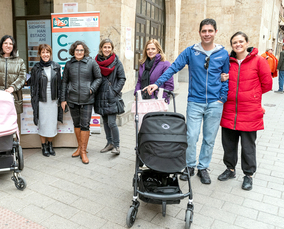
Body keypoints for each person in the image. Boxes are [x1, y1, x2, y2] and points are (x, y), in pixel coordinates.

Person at [144, 18, 229, 184]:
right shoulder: (191, 52)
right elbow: (174, 67)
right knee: (191, 136)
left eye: (210, 31)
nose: (207, 34)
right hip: (195, 102)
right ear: (199, 33)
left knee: (209, 138)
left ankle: (203, 167)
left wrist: (222, 98)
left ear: (215, 32)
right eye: (204, 31)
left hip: (215, 103)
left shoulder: (223, 54)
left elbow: (227, 77)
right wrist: (157, 83)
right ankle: (190, 165)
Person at [218, 32, 272, 191]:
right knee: (228, 143)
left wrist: (253, 96)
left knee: (248, 146)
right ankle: (230, 169)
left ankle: (248, 175)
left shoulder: (259, 61)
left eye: (241, 41)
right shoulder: (227, 61)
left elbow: (267, 84)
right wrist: (221, 79)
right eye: (234, 42)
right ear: (232, 44)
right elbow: (219, 78)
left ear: (247, 42)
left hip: (249, 111)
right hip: (229, 109)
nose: (238, 44)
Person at [60, 41, 102, 164]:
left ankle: (83, 151)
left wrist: (91, 89)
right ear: (73, 51)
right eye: (77, 50)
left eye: (81, 50)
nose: (79, 52)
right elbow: (64, 82)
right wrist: (63, 99)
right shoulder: (69, 64)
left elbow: (99, 78)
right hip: (72, 99)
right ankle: (79, 147)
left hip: (87, 99)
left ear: (85, 51)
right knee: (77, 124)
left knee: (85, 125)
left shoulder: (91, 62)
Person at [94, 39, 126, 155]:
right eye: (105, 47)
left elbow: (122, 78)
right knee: (106, 122)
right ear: (101, 48)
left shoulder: (117, 62)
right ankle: (109, 143)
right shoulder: (96, 61)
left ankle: (116, 146)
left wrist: (115, 91)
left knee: (112, 122)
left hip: (112, 96)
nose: (107, 49)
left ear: (112, 49)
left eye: (109, 47)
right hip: (101, 96)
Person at [29, 44, 61, 157]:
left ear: (50, 53)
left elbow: (60, 85)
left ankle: (50, 145)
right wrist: (34, 101)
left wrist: (61, 99)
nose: (45, 54)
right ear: (40, 54)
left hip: (53, 100)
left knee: (52, 124)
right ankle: (44, 146)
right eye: (43, 52)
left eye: (47, 52)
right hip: (41, 101)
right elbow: (32, 86)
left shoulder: (56, 66)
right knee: (42, 124)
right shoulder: (36, 68)